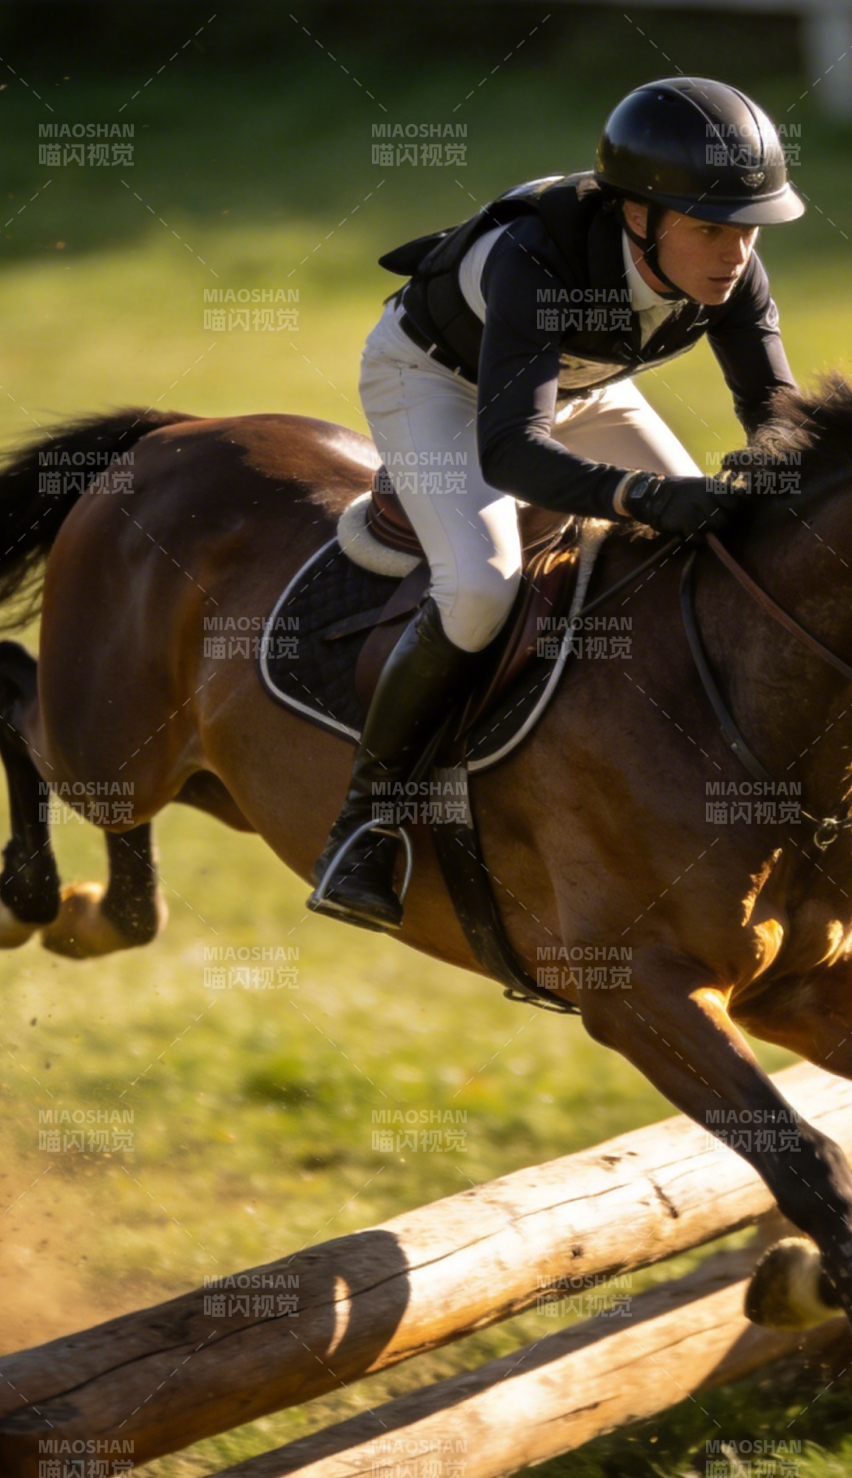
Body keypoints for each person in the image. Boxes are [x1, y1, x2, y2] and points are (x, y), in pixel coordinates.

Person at [309, 76, 806, 932]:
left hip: (582, 388)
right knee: (480, 587)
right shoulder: (536, 256)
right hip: (437, 383)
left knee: (718, 548)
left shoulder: (734, 270)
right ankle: (364, 824)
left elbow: (777, 413)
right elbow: (510, 449)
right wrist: (641, 495)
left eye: (749, 228)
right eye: (710, 230)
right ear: (637, 215)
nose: (735, 254)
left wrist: (782, 479)